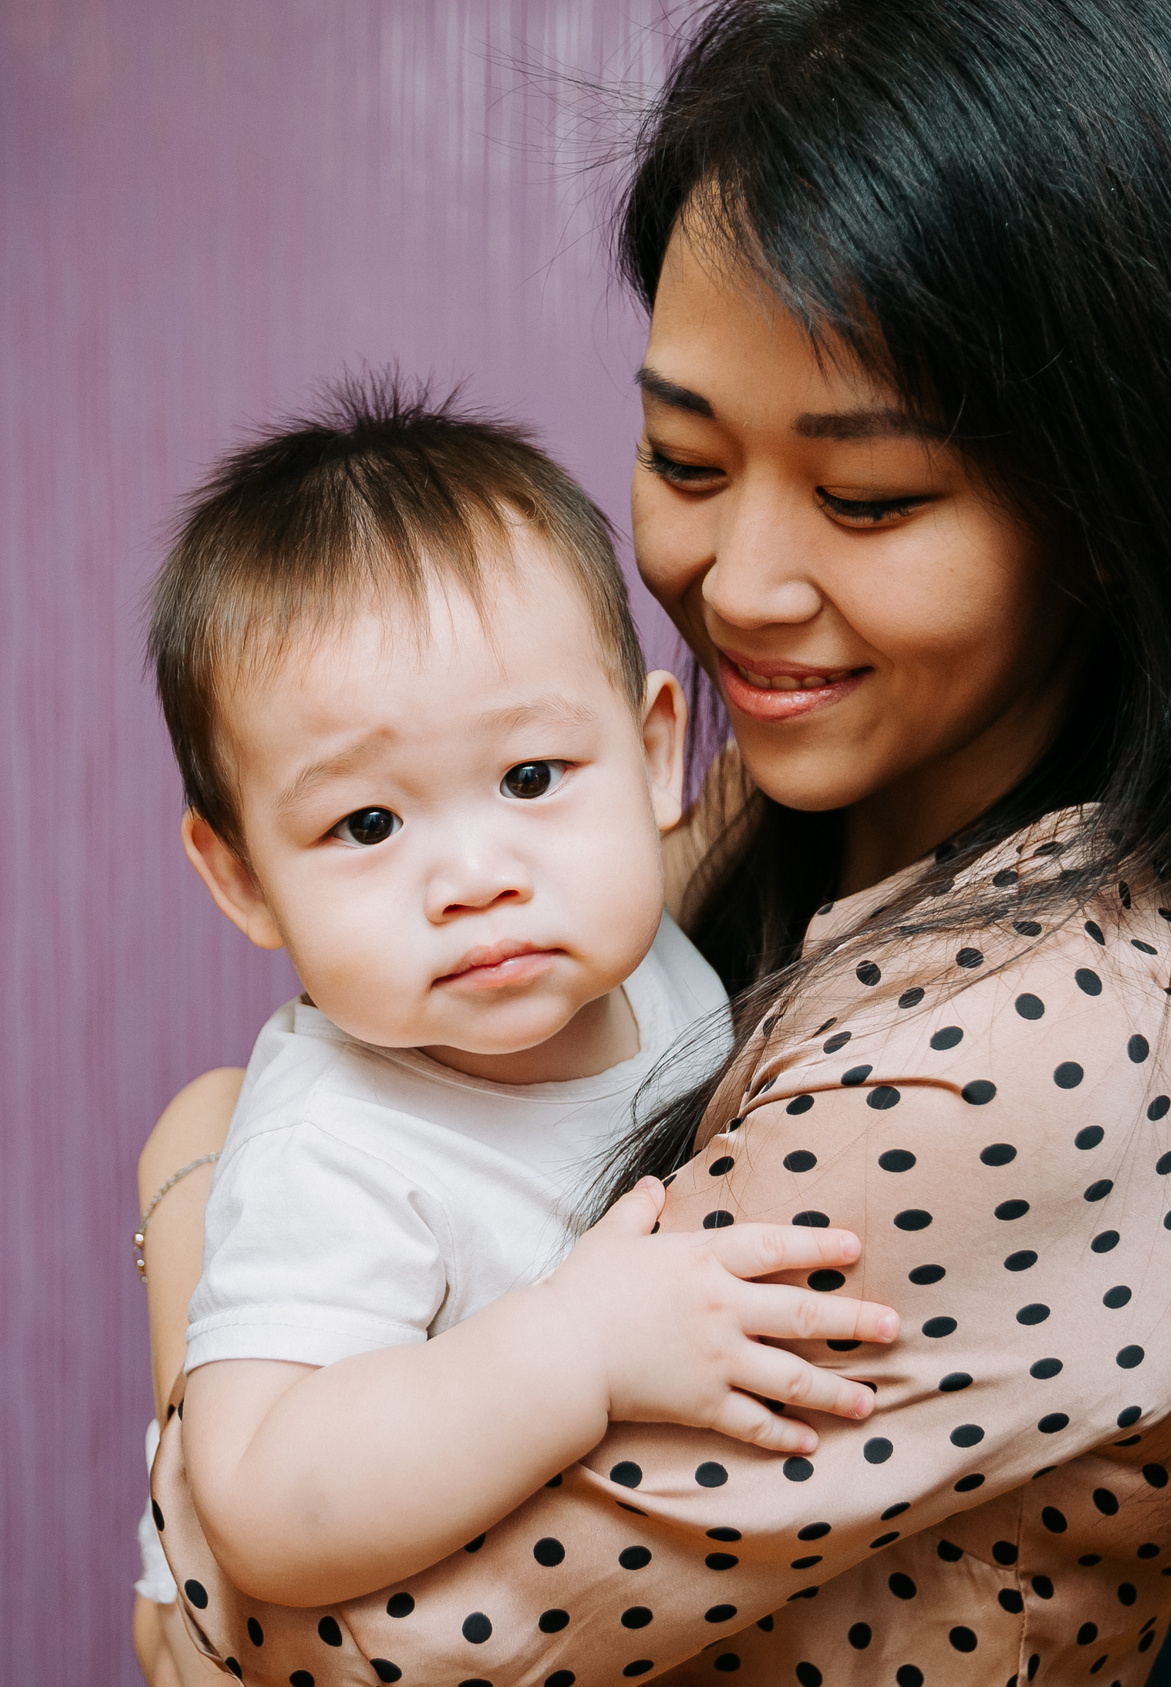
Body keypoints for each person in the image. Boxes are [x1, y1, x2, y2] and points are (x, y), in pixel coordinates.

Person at [139, 0, 1171, 1687]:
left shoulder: (1027, 1044)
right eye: (681, 457)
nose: (737, 585)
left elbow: (287, 1661)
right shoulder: (763, 817)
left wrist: (186, 1177)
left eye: (868, 499)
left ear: (1122, 504)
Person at [136, 381, 916, 1619]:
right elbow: (261, 1504)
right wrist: (577, 1350)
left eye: (531, 774)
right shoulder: (333, 1148)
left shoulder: (645, 953)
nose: (477, 878)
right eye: (369, 821)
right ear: (243, 881)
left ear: (655, 757)